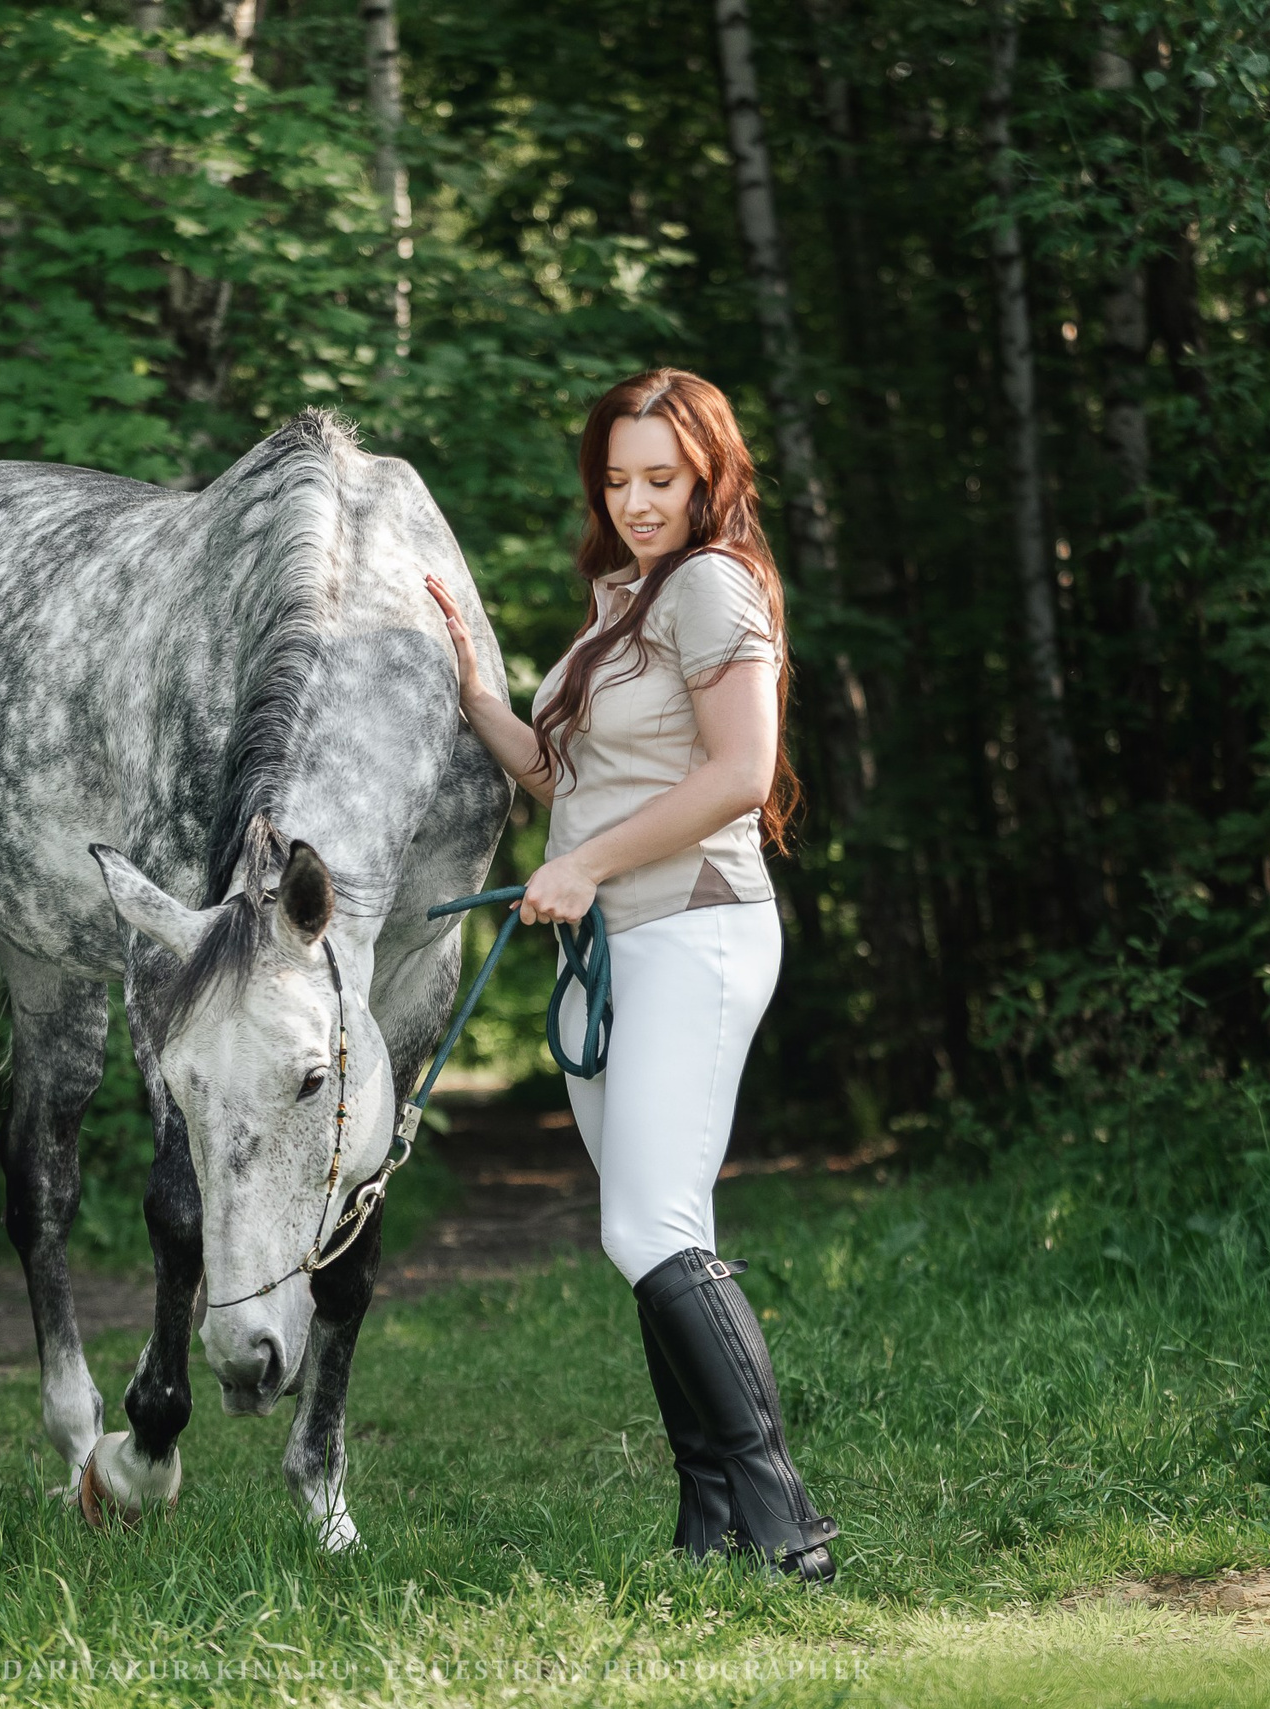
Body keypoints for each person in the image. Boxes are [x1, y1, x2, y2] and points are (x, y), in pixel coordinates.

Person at [425, 369, 837, 1584]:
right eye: (619, 478)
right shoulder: (622, 596)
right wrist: (479, 698)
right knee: (664, 1230)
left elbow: (740, 771)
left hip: (694, 928)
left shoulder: (709, 583)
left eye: (662, 476)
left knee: (644, 1224)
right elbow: (568, 780)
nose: (640, 499)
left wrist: (588, 864)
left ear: (709, 473)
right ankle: (707, 1522)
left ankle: (785, 1522)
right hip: (613, 946)